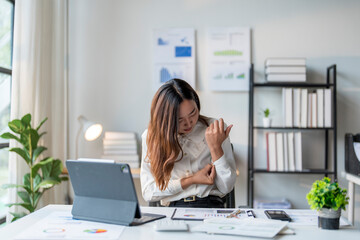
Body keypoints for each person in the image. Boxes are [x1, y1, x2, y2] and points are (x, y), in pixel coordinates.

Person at [140, 78, 236, 208]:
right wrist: (191, 180)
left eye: (193, 113)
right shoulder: (152, 137)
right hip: (174, 207)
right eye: (179, 120)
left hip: (210, 205)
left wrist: (215, 147)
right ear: (165, 119)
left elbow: (226, 187)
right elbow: (148, 191)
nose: (189, 122)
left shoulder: (215, 129)